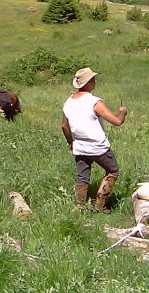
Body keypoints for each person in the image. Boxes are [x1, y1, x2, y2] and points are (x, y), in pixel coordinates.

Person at [61, 67, 128, 212]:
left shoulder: (68, 102)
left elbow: (64, 126)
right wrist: (122, 112)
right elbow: (117, 121)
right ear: (90, 82)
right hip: (98, 147)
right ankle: (99, 205)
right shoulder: (94, 102)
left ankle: (80, 206)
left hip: (80, 146)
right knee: (113, 171)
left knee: (82, 176)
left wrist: (71, 143)